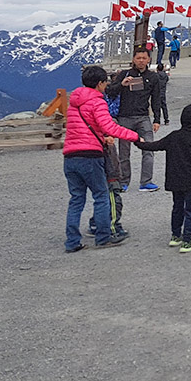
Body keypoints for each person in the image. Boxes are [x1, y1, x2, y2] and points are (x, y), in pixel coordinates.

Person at [64, 65, 140, 252]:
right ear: (99, 83)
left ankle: (72, 242)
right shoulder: (97, 101)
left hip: (70, 156)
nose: (106, 86)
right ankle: (103, 237)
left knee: (76, 199)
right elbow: (109, 128)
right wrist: (135, 136)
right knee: (101, 196)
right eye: (105, 83)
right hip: (90, 155)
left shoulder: (74, 102)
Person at [134, 103, 191, 253]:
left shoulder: (173, 136)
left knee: (177, 207)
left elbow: (154, 145)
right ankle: (187, 240)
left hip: (174, 180)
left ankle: (175, 235)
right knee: (190, 210)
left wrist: (139, 143)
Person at [105, 46, 162, 192]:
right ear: (133, 60)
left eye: (144, 58)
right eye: (138, 58)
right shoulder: (124, 74)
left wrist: (157, 119)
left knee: (149, 149)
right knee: (124, 153)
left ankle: (146, 181)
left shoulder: (153, 77)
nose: (141, 61)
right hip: (125, 117)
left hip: (143, 117)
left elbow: (157, 99)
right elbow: (109, 92)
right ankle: (124, 182)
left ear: (149, 59)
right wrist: (121, 84)